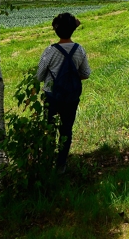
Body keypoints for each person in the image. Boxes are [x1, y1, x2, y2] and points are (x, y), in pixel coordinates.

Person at [36, 12, 91, 172]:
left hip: (51, 96)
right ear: (73, 30)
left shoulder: (50, 51)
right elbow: (86, 73)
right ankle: (61, 165)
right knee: (66, 130)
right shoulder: (79, 50)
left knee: (49, 128)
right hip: (71, 96)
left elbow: (39, 76)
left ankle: (47, 160)